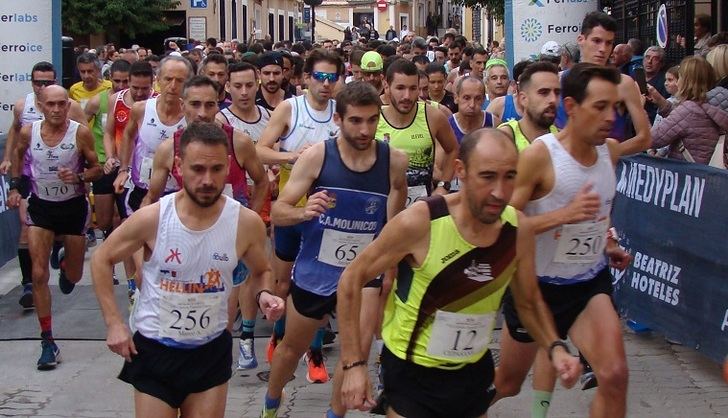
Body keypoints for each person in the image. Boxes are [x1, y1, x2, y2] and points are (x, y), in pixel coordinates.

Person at [336, 128, 581, 418]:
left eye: (510, 176)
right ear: (460, 171)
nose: (500, 192)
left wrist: (555, 347)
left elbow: (528, 302)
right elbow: (352, 278)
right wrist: (354, 364)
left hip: (472, 371)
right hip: (413, 374)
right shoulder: (422, 221)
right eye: (487, 176)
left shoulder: (518, 230)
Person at [91, 122, 284, 418]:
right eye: (197, 169)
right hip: (156, 348)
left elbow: (260, 271)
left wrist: (265, 296)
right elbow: (102, 259)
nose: (207, 179)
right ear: (179, 167)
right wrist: (114, 323)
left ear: (229, 166)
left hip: (210, 349)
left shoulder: (245, 223)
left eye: (216, 169)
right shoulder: (153, 218)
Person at [260, 81, 408, 418]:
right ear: (338, 120)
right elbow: (279, 213)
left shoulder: (394, 162)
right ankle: (270, 403)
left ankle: (334, 415)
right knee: (291, 350)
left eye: (372, 120)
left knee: (355, 353)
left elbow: (394, 220)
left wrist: (390, 267)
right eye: (356, 121)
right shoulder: (317, 157)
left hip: (363, 274)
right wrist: (303, 211)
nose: (365, 129)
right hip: (317, 270)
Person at [493, 63, 632, 418]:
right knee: (507, 384)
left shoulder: (609, 153)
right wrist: (562, 216)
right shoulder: (541, 155)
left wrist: (606, 243)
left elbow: (596, 215)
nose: (609, 117)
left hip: (588, 283)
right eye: (599, 107)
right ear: (571, 107)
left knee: (615, 376)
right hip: (537, 289)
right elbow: (506, 223)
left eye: (614, 107)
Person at [256, 49, 343, 382]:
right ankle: (279, 332)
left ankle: (315, 352)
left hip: (326, 212)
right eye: (319, 77)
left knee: (320, 285)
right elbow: (261, 148)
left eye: (331, 78)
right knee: (282, 281)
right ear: (305, 78)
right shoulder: (290, 109)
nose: (325, 84)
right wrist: (295, 157)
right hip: (292, 208)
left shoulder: (340, 113)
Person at [7, 85, 102, 369]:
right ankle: (47, 340)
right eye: (51, 104)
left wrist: (78, 176)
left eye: (62, 104)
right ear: (41, 105)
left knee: (72, 277)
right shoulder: (29, 132)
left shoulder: (79, 132)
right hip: (41, 207)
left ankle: (65, 259)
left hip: (72, 208)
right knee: (38, 273)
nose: (57, 110)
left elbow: (96, 169)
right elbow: (18, 158)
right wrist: (15, 187)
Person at [0, 62, 87, 310]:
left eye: (48, 82)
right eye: (39, 82)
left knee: (73, 271)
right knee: (27, 231)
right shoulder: (22, 107)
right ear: (32, 84)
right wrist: (9, 162)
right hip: (32, 177)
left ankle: (62, 257)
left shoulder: (73, 109)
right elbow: (16, 135)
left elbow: (86, 151)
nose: (43, 87)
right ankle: (30, 282)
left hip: (66, 185)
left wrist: (81, 177)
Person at [555, 11, 651, 156]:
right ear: (581, 39)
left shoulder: (623, 83)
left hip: (609, 171)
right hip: (564, 168)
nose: (603, 49)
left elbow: (644, 138)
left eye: (609, 43)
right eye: (597, 41)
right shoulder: (559, 81)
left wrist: (604, 156)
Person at [113, 56, 192, 218]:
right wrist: (123, 169)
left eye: (180, 80)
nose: (173, 86)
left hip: (176, 193)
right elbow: (128, 136)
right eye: (168, 79)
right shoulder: (141, 109)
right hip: (142, 189)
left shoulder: (192, 116)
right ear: (158, 80)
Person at [376, 59, 458, 206]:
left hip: (420, 209)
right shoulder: (373, 118)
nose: (407, 96)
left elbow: (453, 149)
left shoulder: (432, 116)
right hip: (380, 207)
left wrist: (443, 186)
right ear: (386, 86)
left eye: (413, 88)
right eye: (400, 88)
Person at [83, 59, 132, 250]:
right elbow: (80, 127)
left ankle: (114, 256)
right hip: (105, 163)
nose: (121, 86)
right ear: (109, 79)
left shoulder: (139, 102)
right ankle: (107, 243)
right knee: (103, 221)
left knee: (121, 216)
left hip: (127, 165)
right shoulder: (98, 101)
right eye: (117, 81)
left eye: (125, 81)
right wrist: (89, 155)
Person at [651, 56, 728, 165]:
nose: (677, 83)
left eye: (680, 77)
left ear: (687, 81)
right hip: (706, 174)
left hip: (685, 175)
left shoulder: (688, 110)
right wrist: (662, 102)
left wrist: (637, 109)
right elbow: (682, 121)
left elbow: (652, 139)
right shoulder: (710, 106)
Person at [499, 61, 560, 152]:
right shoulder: (504, 137)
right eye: (544, 92)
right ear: (523, 99)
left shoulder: (562, 140)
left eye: (557, 93)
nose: (553, 99)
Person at [643, 46, 669, 124]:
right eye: (647, 57)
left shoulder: (665, 82)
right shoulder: (636, 76)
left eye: (655, 59)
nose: (649, 61)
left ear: (661, 63)